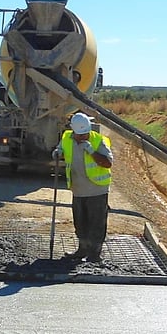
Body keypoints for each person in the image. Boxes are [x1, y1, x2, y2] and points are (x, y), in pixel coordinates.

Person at [52, 112, 113, 262]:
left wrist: (92, 151)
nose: (83, 137)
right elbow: (60, 149)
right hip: (78, 190)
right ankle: (82, 250)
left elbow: (107, 163)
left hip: (97, 190)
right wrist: (57, 152)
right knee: (80, 222)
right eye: (80, 135)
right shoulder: (66, 137)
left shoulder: (98, 140)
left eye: (85, 134)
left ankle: (94, 254)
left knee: (96, 223)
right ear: (73, 131)